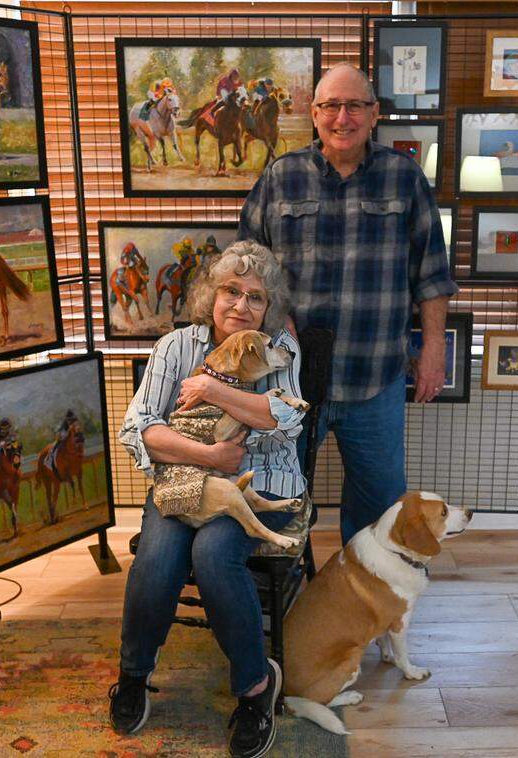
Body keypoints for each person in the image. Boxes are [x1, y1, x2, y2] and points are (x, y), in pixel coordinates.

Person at [238, 62, 457, 544]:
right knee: (277, 496)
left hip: (374, 377)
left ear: (374, 113)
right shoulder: (281, 177)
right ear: (314, 114)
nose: (343, 117)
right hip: (289, 378)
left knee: (380, 511)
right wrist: (274, 320)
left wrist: (435, 352)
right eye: (331, 106)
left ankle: (364, 604)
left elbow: (432, 275)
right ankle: (280, 596)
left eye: (354, 105)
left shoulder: (405, 179)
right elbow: (246, 265)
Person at [110, 240, 305, 758]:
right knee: (157, 557)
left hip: (260, 479)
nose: (241, 306)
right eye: (231, 291)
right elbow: (139, 428)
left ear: (270, 308)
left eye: (255, 297)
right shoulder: (176, 347)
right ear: (210, 296)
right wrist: (212, 456)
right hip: (182, 479)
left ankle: (255, 686)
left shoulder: (279, 347)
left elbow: (282, 418)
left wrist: (213, 391)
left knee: (213, 555)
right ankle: (133, 675)